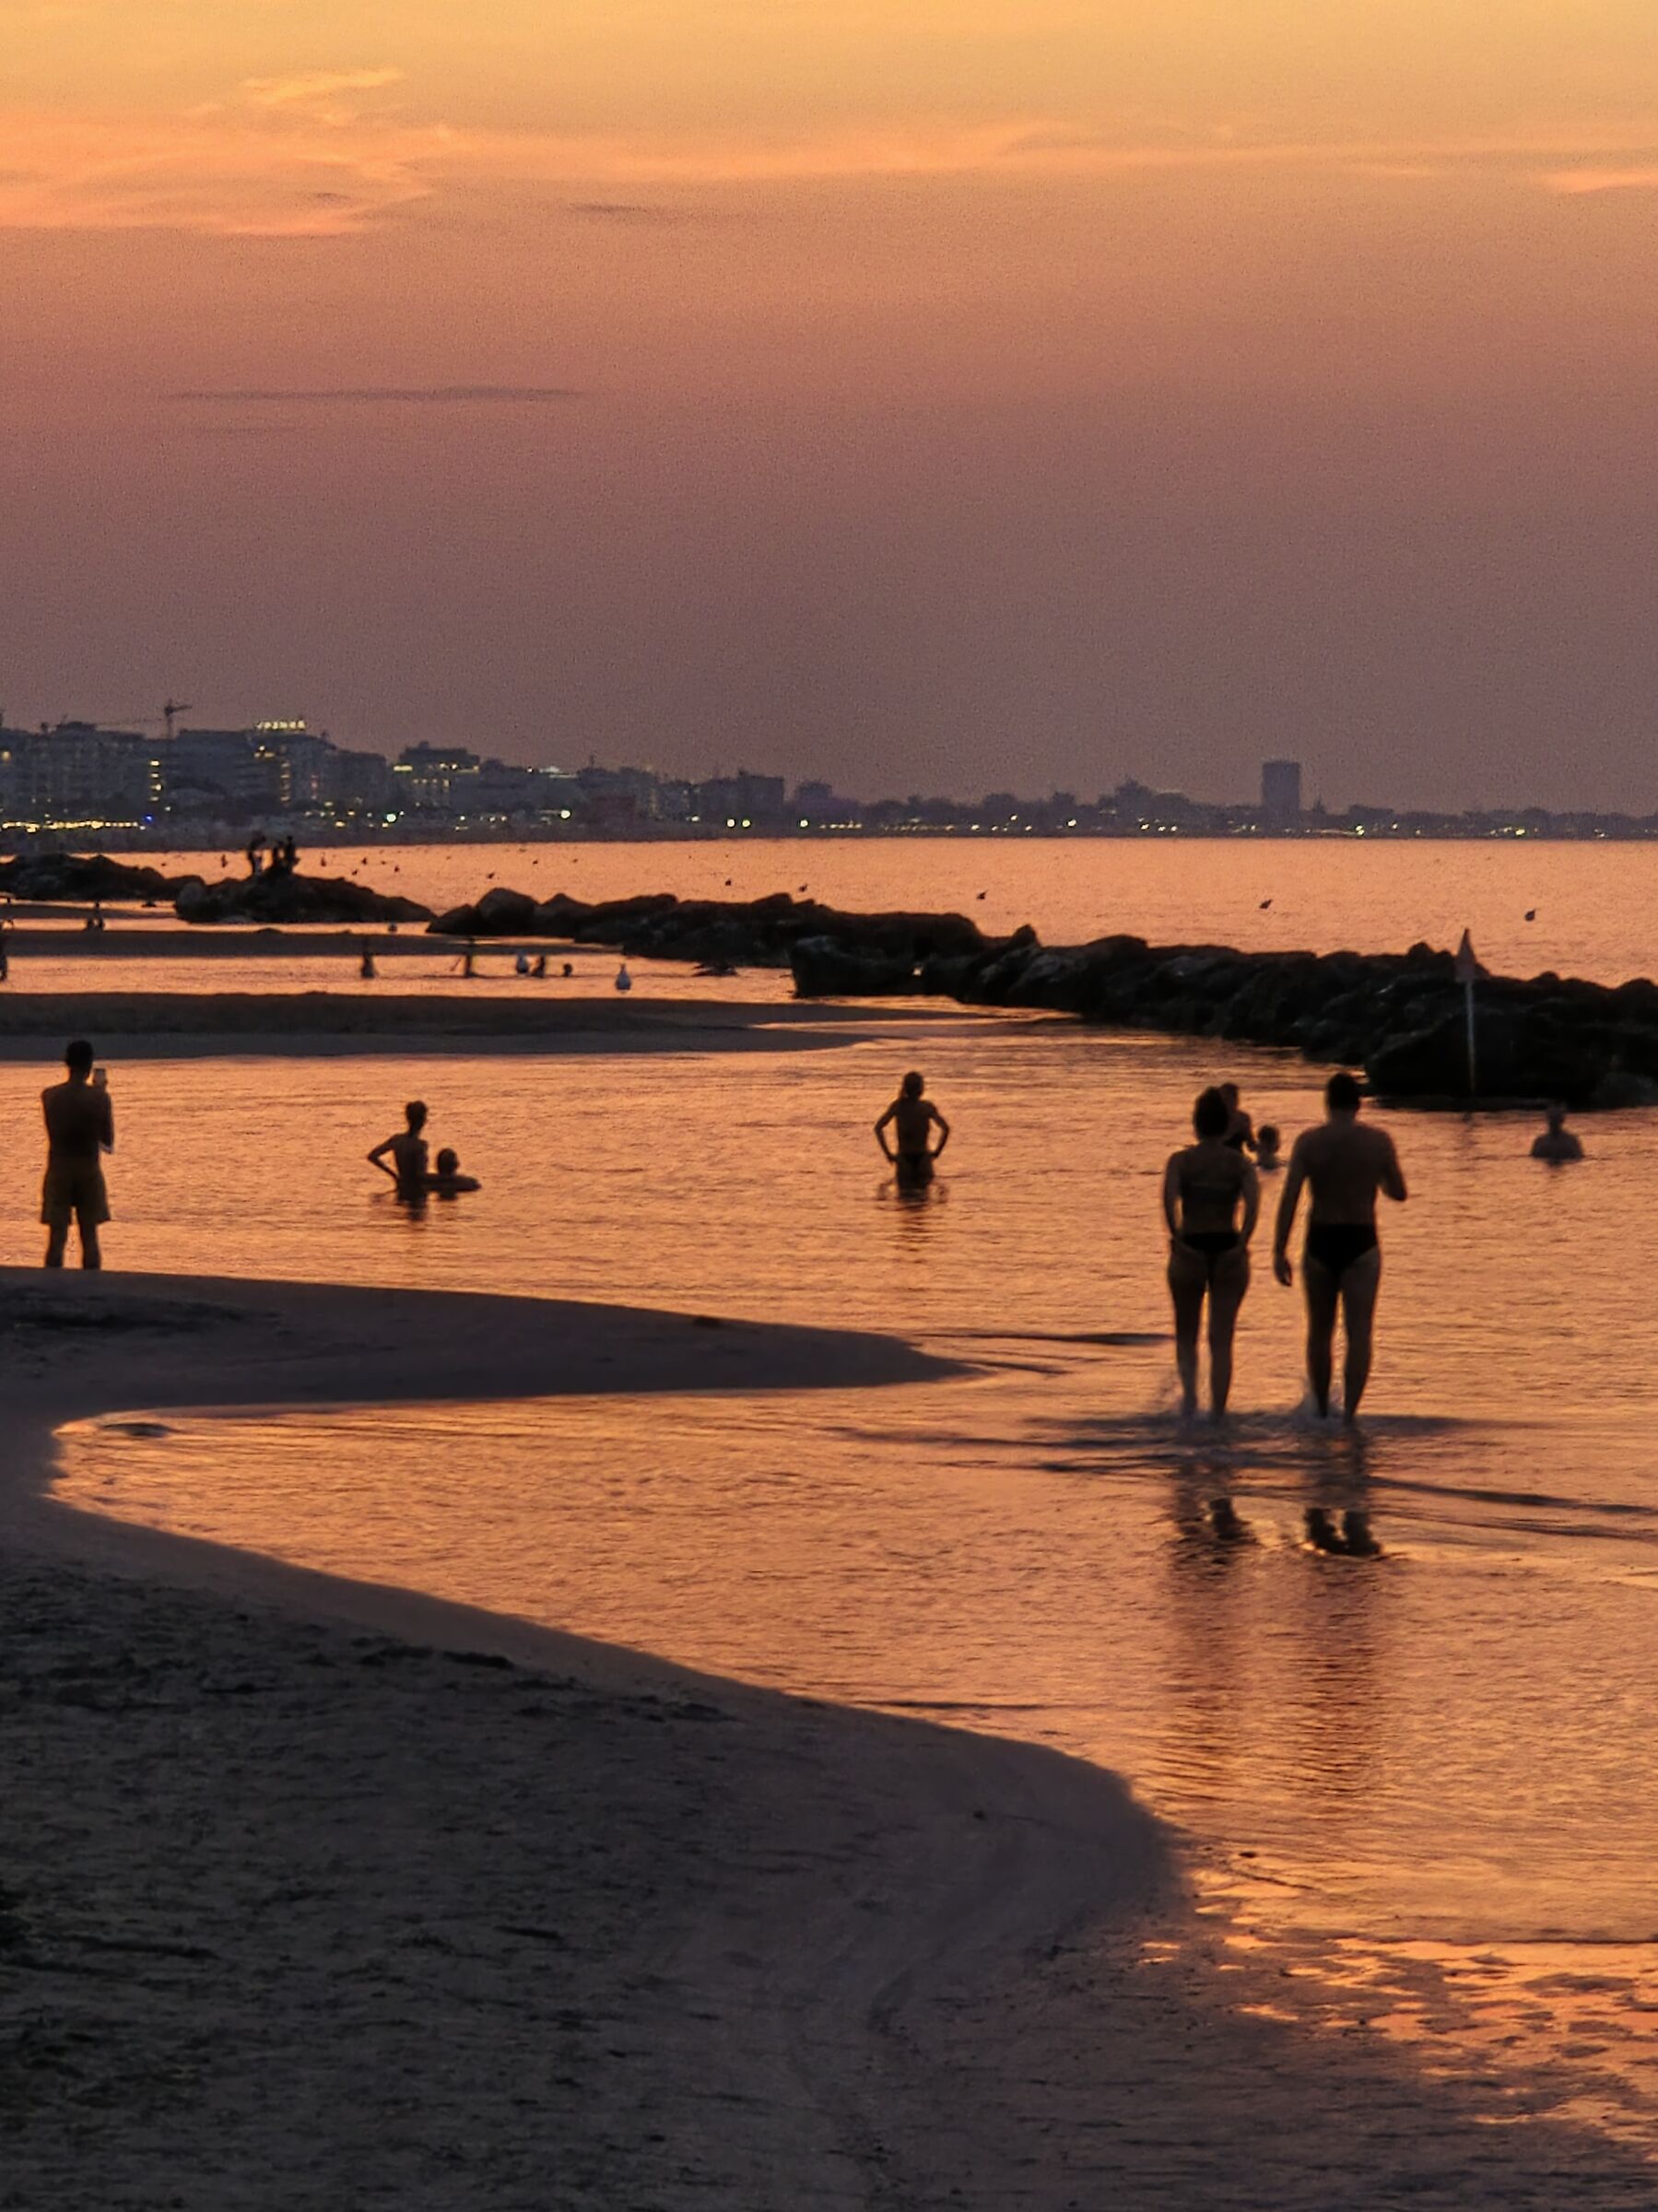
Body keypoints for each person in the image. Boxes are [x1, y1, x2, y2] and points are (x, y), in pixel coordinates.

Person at [1273, 1071, 1407, 1424]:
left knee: (1319, 1331)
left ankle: (1320, 1413)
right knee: (1359, 1333)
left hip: (1320, 1238)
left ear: (1327, 1102)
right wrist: (1374, 1176)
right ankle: (1348, 1416)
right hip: (1361, 1239)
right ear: (1358, 1103)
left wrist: (1278, 1249)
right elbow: (1399, 1192)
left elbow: (1290, 1197)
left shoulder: (1308, 1142)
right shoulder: (1378, 1141)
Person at [1163, 1086, 1260, 1419]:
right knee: (1221, 1340)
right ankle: (1218, 1413)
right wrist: (1243, 1242)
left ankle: (1190, 1403)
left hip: (1190, 1245)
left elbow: (1169, 1201)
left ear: (1196, 1123)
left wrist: (1177, 1238)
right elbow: (1253, 1206)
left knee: (1186, 1335)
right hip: (1227, 1246)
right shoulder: (1240, 1164)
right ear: (1226, 1125)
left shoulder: (1181, 1161)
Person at [41, 1039, 114, 1269]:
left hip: (59, 1167)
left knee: (56, 1238)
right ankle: (91, 1283)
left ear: (67, 1063)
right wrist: (101, 1095)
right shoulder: (99, 1098)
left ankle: (50, 1283)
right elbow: (107, 1140)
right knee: (89, 1237)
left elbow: (54, 1130)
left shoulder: (49, 1096)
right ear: (89, 1065)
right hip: (88, 1168)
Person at [875, 1070, 950, 1188]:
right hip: (923, 1158)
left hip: (904, 1158)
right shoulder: (926, 1107)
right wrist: (937, 1152)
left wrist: (888, 1153)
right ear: (921, 1089)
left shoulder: (898, 1106)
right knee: (924, 1194)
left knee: (905, 1195)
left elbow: (878, 1128)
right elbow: (945, 1129)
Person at [368, 1100, 429, 1203]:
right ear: (423, 1120)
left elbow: (373, 1156)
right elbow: (421, 1176)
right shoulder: (420, 1145)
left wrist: (395, 1176)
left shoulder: (397, 1140)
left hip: (402, 1189)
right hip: (418, 1194)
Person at [1219, 1081, 1254, 1154]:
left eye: (1235, 1097)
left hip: (1237, 1157)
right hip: (1217, 1157)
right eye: (1224, 1099)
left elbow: (1251, 1146)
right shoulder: (1213, 1118)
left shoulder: (1243, 1119)